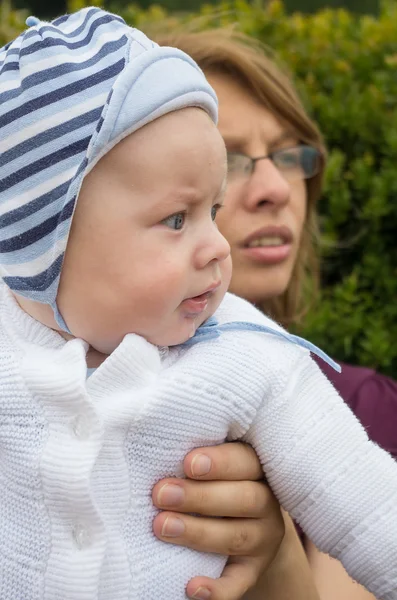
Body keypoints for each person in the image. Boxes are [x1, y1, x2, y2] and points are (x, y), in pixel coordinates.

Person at [1, 9, 397, 600]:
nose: (215, 244)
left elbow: (369, 508)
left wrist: (280, 560)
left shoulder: (248, 356)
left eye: (212, 212)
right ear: (44, 241)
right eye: (176, 218)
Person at [150, 27, 397, 600]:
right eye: (229, 160)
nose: (274, 188)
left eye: (289, 155)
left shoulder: (363, 412)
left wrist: (278, 559)